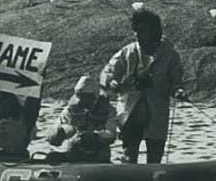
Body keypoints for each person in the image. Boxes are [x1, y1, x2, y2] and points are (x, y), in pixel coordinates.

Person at [100, 9, 186, 164]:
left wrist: (178, 91)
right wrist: (113, 82)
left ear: (154, 31)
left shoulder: (170, 55)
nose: (137, 34)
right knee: (128, 155)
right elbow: (108, 74)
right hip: (130, 111)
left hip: (157, 111)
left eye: (142, 31)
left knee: (155, 156)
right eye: (136, 30)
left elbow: (177, 82)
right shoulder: (127, 52)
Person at [47, 75, 117, 163]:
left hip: (99, 152)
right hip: (76, 150)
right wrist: (61, 132)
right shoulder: (70, 110)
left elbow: (111, 134)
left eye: (87, 96)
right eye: (80, 96)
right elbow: (55, 134)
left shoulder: (108, 110)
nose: (84, 99)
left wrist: (95, 136)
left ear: (95, 94)